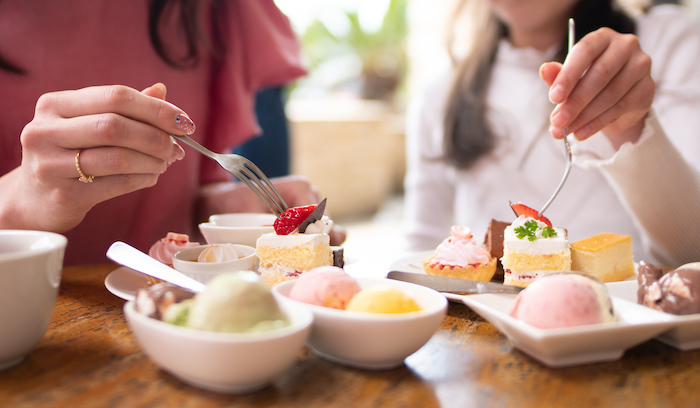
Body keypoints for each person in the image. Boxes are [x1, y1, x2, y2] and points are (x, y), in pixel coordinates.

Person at [0, 0, 345, 265]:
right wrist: (20, 199)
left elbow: (178, 204)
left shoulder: (206, 9)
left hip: (169, 306)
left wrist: (225, 211)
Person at [404, 0, 700, 267]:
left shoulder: (668, 42)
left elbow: (692, 254)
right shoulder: (440, 93)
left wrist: (631, 130)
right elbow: (418, 255)